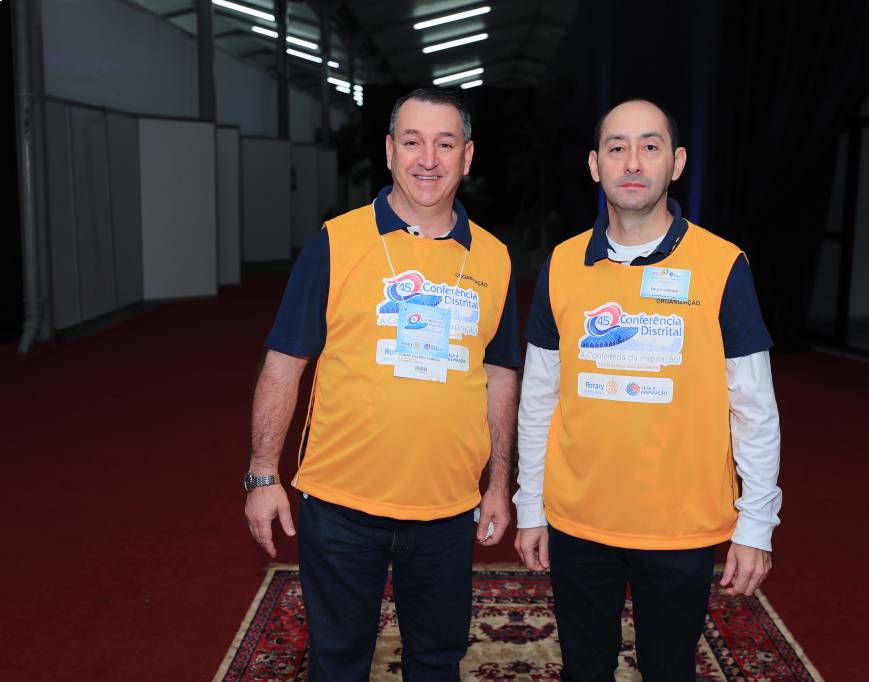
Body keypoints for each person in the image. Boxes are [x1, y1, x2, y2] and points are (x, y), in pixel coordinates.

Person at [244, 87, 521, 681]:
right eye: (413, 142)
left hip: (447, 507)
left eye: (445, 143)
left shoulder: (495, 259)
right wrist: (263, 475)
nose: (429, 159)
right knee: (337, 663)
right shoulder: (335, 243)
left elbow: (500, 376)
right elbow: (284, 364)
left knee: (437, 662)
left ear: (468, 156)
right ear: (391, 151)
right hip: (342, 505)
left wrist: (499, 484)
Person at [513, 99, 782, 681]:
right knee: (584, 670)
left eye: (650, 146)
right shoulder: (562, 264)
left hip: (680, 524)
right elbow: (538, 399)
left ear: (676, 162)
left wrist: (756, 522)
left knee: (669, 670)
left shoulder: (722, 265)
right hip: (579, 518)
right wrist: (530, 504)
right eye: (617, 147)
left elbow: (755, 408)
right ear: (595, 165)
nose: (632, 162)